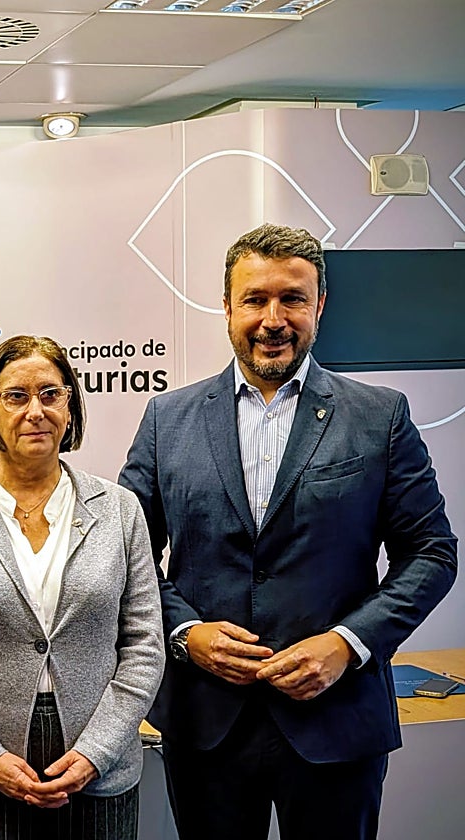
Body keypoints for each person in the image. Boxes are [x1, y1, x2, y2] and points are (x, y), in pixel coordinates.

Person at [118, 223, 458, 840]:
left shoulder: (379, 416)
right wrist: (185, 634)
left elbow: (431, 552)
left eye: (292, 299)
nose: (273, 319)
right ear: (226, 306)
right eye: (254, 299)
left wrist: (349, 642)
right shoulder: (168, 419)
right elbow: (126, 554)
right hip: (207, 725)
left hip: (337, 718)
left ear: (319, 305)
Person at [0, 334, 164, 840]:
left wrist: (96, 752)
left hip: (100, 768)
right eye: (16, 396)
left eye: (51, 394)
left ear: (70, 406)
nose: (35, 411)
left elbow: (144, 647)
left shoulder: (119, 510)